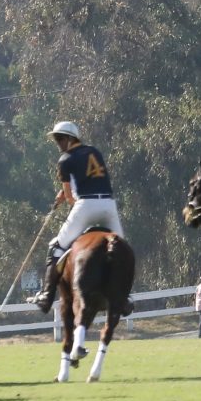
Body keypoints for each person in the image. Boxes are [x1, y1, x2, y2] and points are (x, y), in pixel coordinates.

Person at [28, 121, 127, 314]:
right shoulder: (94, 152)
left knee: (56, 248)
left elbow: (72, 197)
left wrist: (67, 200)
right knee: (121, 250)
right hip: (108, 205)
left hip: (86, 206)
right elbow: (91, 178)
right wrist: (65, 193)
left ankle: (47, 296)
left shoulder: (65, 160)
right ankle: (125, 297)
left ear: (70, 138)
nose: (57, 143)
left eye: (59, 139)